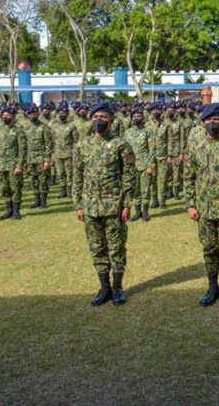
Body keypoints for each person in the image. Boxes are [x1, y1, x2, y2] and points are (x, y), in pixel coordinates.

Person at [73, 102, 136, 306]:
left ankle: (117, 288)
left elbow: (129, 176)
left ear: (111, 119)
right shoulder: (82, 145)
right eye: (95, 116)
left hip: (113, 207)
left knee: (116, 248)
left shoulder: (121, 145)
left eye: (103, 116)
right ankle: (104, 288)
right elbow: (77, 177)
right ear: (91, 119)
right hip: (90, 207)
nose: (99, 120)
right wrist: (78, 205)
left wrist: (127, 204)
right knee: (97, 248)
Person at [185, 103, 219, 307]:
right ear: (203, 122)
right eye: (209, 120)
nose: (213, 123)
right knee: (209, 249)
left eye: (217, 119)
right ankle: (212, 287)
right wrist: (190, 204)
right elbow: (189, 178)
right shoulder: (196, 149)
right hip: (204, 209)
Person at [0, 106, 27, 221]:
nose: (5, 117)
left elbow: (22, 149)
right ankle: (8, 210)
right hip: (1, 165)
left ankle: (16, 211)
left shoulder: (18, 130)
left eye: (8, 116)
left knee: (16, 187)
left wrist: (19, 165)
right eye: (4, 116)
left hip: (13, 165)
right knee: (4, 188)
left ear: (13, 117)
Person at [123, 108, 155, 222]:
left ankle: (145, 212)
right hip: (132, 166)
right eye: (134, 116)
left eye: (139, 116)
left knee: (145, 189)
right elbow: (125, 150)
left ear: (143, 118)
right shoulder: (127, 132)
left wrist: (150, 165)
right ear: (131, 118)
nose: (137, 118)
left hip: (145, 164)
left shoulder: (148, 131)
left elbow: (152, 149)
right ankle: (137, 212)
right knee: (135, 190)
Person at [23, 105, 53, 209]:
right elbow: (23, 145)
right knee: (33, 179)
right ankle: (37, 200)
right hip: (29, 157)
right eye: (31, 114)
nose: (33, 116)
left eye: (35, 114)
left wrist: (47, 160)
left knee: (43, 179)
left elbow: (49, 144)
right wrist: (23, 160)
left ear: (38, 114)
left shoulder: (44, 127)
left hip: (41, 157)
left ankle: (44, 201)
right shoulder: (25, 127)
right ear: (27, 115)